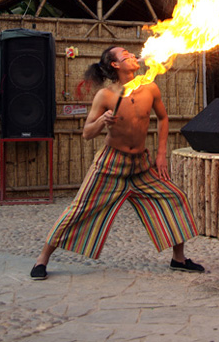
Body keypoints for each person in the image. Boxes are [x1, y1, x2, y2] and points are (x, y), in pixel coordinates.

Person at [30, 46, 204, 279]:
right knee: (79, 209)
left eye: (132, 54)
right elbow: (87, 133)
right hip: (111, 164)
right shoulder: (106, 96)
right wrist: (102, 120)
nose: (133, 55)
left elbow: (163, 118)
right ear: (115, 65)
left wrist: (161, 154)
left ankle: (179, 259)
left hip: (141, 166)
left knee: (174, 197)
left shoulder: (150, 88)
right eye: (126, 55)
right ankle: (42, 260)